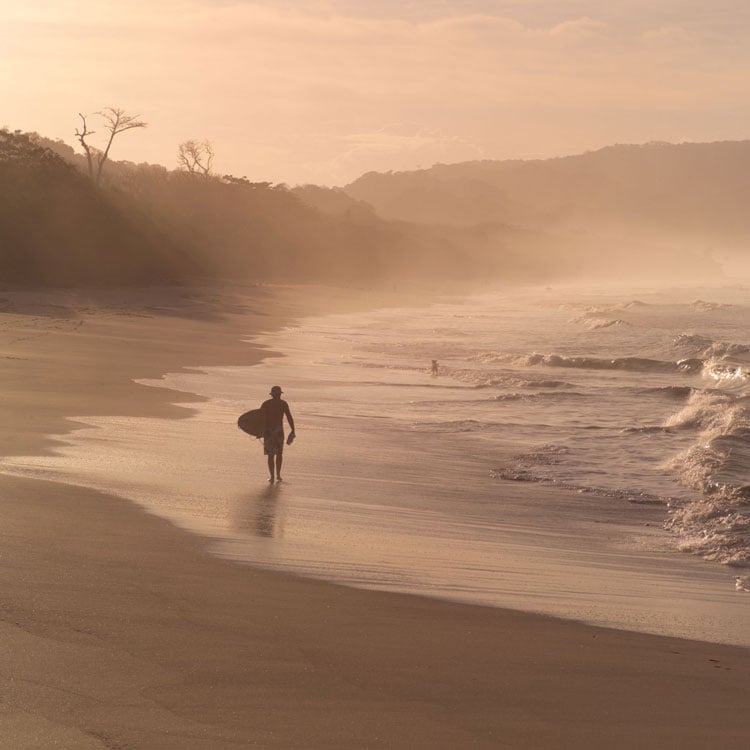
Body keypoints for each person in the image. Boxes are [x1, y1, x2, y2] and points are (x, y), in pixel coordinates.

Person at [260, 385, 295, 483]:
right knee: (279, 454)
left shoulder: (266, 404)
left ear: (272, 395)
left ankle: (272, 476)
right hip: (279, 431)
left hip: (268, 431)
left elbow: (259, 418)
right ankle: (278, 475)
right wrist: (293, 430)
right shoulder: (283, 404)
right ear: (279, 394)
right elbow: (289, 417)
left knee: (271, 455)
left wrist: (258, 431)